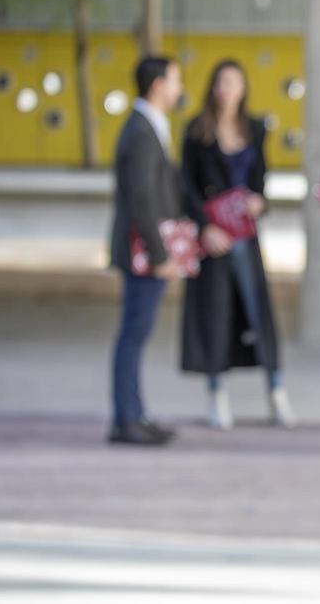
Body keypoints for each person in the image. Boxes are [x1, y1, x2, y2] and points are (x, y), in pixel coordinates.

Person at [179, 59, 294, 430]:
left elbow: (260, 181)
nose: (226, 89)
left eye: (233, 82)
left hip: (245, 234)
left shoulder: (256, 129)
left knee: (258, 312)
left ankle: (276, 391)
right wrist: (204, 227)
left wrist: (260, 203)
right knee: (215, 313)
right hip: (215, 237)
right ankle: (217, 392)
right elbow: (186, 187)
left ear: (243, 88)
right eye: (221, 82)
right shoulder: (197, 131)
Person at [107, 56, 186, 446]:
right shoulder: (141, 130)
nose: (180, 89)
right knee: (133, 335)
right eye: (175, 80)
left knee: (136, 334)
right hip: (143, 254)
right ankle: (126, 420)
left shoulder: (150, 125)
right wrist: (159, 256)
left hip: (146, 251)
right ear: (157, 85)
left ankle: (135, 414)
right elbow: (142, 199)